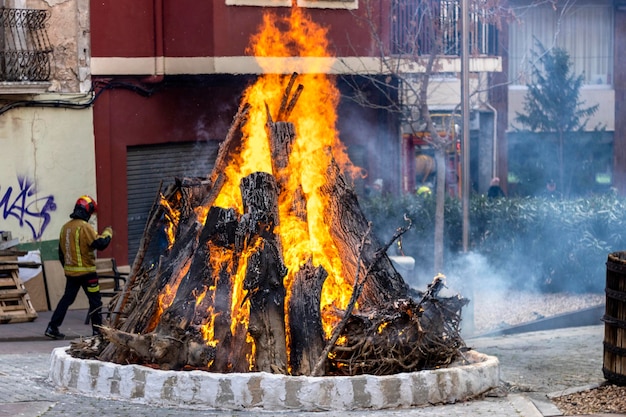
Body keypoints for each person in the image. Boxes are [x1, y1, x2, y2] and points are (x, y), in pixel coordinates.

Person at [45, 195, 113, 339]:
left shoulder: (65, 228)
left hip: (71, 274)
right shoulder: (84, 227)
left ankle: (52, 327)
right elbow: (100, 244)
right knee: (95, 300)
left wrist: (68, 268)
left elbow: (61, 253)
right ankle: (97, 331)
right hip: (88, 274)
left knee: (67, 300)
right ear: (87, 211)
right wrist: (108, 232)